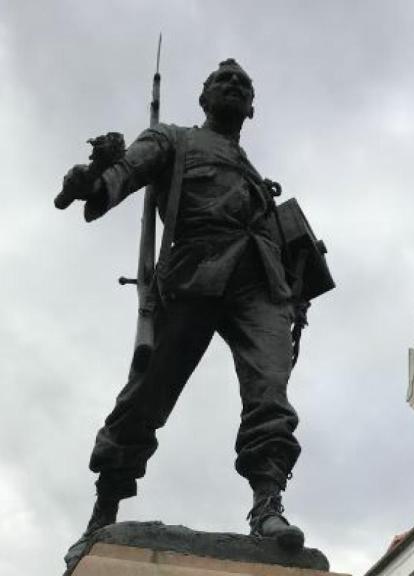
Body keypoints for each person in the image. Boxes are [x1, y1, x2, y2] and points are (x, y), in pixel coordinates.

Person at [59, 59, 306, 553]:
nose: (233, 85)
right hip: (195, 271)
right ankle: (106, 504)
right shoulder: (173, 139)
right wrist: (93, 180)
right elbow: (128, 169)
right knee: (148, 393)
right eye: (222, 81)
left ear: (252, 108)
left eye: (242, 84)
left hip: (260, 285)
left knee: (270, 394)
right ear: (203, 98)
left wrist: (293, 294)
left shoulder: (256, 177)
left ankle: (267, 504)